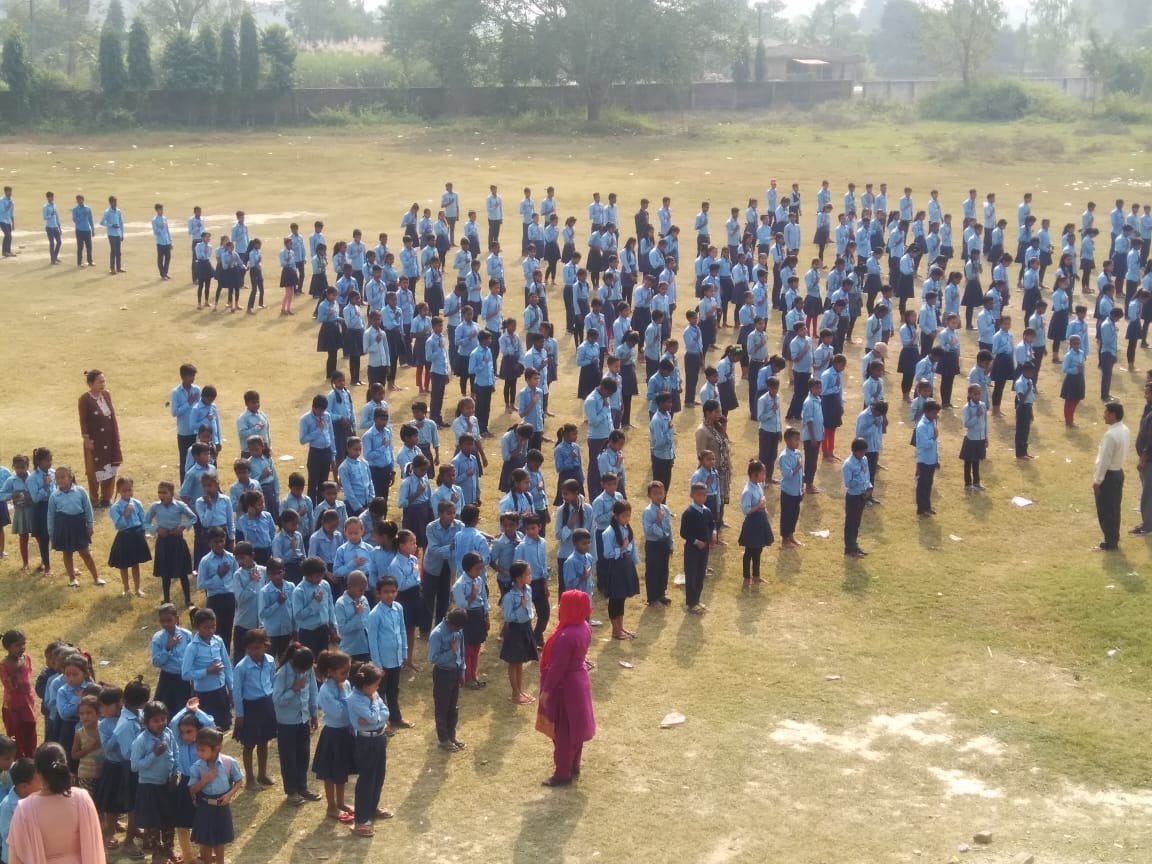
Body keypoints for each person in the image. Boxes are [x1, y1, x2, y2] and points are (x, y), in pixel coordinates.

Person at [535, 590, 596, 787]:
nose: (560, 608)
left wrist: (546, 691)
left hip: (566, 685)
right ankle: (574, 765)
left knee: (564, 731)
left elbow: (557, 668)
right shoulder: (585, 627)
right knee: (575, 727)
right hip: (580, 681)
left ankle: (562, 773)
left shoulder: (565, 635)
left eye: (563, 604)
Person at [7, 742, 103, 864]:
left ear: (37, 772)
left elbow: (16, 856)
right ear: (65, 765)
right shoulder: (82, 799)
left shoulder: (25, 809)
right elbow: (95, 843)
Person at [271, 643, 320, 806]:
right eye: (300, 669)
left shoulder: (308, 669)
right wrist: (294, 689)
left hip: (303, 719)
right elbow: (277, 700)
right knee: (289, 758)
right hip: (287, 722)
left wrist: (314, 713)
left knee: (303, 755)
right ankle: (291, 791)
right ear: (293, 663)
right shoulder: (283, 673)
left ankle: (302, 787)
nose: (303, 672)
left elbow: (313, 690)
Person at [346, 664, 390, 838]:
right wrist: (375, 712)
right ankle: (360, 820)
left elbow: (385, 712)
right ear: (365, 685)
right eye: (376, 684)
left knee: (379, 775)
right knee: (367, 779)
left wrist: (375, 716)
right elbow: (374, 717)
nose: (378, 688)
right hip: (366, 741)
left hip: (379, 738)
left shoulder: (373, 693)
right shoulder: (355, 699)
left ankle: (372, 808)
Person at [188, 727, 243, 864]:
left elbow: (239, 780)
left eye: (203, 750)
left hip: (222, 806)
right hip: (205, 807)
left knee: (220, 841)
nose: (199, 753)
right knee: (205, 842)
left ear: (216, 749)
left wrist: (229, 795)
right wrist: (204, 780)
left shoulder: (229, 763)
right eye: (198, 749)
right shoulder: (197, 767)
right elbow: (192, 790)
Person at [47, 466, 103, 589]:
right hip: (63, 526)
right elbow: (50, 515)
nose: (60, 480)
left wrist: (90, 525)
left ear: (70, 477)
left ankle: (96, 577)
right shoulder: (54, 496)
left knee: (85, 552)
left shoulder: (80, 491)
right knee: (67, 553)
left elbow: (88, 509)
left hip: (79, 525)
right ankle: (72, 579)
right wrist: (51, 532)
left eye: (63, 477)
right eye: (57, 478)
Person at [78, 370, 123, 508]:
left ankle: (106, 497)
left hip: (109, 439)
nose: (103, 384)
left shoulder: (106, 395)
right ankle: (94, 499)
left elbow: (111, 416)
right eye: (99, 382)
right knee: (94, 470)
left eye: (104, 381)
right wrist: (86, 439)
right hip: (94, 440)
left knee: (110, 467)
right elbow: (83, 421)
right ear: (91, 384)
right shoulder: (84, 399)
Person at [428, 608, 467, 751]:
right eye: (457, 627)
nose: (458, 630)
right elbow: (433, 658)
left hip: (455, 672)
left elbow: (461, 653)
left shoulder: (459, 631)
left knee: (453, 707)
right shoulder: (437, 634)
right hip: (442, 674)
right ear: (450, 622)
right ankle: (443, 740)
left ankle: (452, 736)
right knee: (442, 708)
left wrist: (462, 671)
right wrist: (451, 651)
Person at [1093, 401, 1131, 551]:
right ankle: (1113, 537)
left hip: (1108, 476)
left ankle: (1109, 541)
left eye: (1106, 412)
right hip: (1118, 473)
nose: (1104, 415)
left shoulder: (1110, 435)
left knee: (1105, 509)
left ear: (1113, 414)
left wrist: (1097, 481)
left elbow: (1104, 461)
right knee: (1114, 508)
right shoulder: (1125, 430)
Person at [108, 477, 151, 598]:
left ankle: (138, 588)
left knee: (135, 563)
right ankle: (126, 589)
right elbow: (119, 524)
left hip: (136, 535)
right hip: (125, 536)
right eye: (124, 491)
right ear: (119, 491)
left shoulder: (137, 503)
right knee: (124, 564)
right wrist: (126, 513)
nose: (127, 493)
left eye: (129, 490)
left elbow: (143, 519)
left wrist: (143, 532)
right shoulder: (115, 507)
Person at [680, 481, 716, 614]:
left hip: (704, 549)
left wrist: (713, 534)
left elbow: (712, 525)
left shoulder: (707, 511)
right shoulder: (688, 513)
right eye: (698, 495)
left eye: (704, 495)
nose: (701, 497)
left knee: (701, 574)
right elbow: (683, 532)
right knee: (692, 575)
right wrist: (696, 542)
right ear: (692, 495)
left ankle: (697, 600)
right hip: (692, 549)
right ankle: (690, 603)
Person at [737, 460, 773, 584]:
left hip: (760, 521)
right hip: (752, 524)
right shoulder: (747, 491)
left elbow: (762, 500)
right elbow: (746, 510)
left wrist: (764, 508)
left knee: (758, 550)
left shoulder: (758, 486)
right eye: (762, 474)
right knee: (749, 552)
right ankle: (747, 578)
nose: (764, 476)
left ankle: (756, 576)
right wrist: (760, 505)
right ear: (754, 474)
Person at [842, 438, 873, 557]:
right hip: (853, 497)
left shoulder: (864, 459)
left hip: (863, 495)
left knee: (857, 523)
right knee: (850, 523)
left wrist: (869, 488)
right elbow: (848, 484)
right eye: (861, 452)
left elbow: (867, 475)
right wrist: (858, 479)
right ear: (855, 451)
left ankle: (854, 545)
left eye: (865, 452)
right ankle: (849, 549)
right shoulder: (848, 465)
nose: (863, 454)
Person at [1131, 383, 1152, 537]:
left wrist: (1144, 458)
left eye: (1147, 393)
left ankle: (1148, 526)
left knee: (1148, 493)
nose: (1145, 396)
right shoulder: (1148, 408)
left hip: (1149, 459)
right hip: (1146, 457)